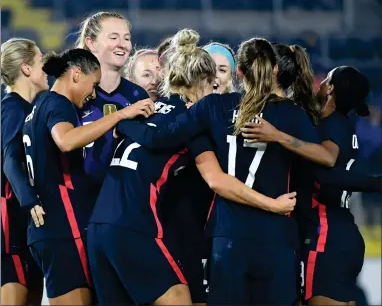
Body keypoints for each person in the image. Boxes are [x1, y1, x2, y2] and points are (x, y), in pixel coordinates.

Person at [115, 36, 346, 304]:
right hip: (276, 236)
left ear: (238, 72)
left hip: (227, 237)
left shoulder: (214, 106)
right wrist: (279, 137)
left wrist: (123, 123)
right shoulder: (292, 114)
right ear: (273, 70)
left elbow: (162, 137)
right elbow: (325, 158)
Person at [87, 30, 296, 306]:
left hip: (98, 226)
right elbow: (216, 180)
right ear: (203, 82)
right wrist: (272, 204)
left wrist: (121, 124)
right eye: (211, 85)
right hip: (135, 226)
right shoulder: (191, 121)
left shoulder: (145, 108)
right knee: (179, 299)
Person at [22, 48, 154, 305]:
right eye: (92, 84)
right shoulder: (59, 104)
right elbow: (67, 141)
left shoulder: (38, 105)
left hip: (46, 230)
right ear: (76, 74)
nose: (93, 94)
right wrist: (120, 115)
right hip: (64, 224)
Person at [243, 65, 379, 305]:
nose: (321, 83)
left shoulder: (333, 124)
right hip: (342, 231)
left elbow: (328, 158)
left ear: (331, 90)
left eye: (326, 80)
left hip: (326, 235)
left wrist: (277, 136)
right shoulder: (344, 125)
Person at [75, 11, 151, 188]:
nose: (122, 45)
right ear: (91, 43)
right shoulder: (73, 93)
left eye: (126, 38)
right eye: (113, 37)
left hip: (122, 202)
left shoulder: (137, 95)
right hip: (78, 202)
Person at [1, 38, 46, 306]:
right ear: (27, 69)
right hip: (13, 218)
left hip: (26, 219)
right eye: (41, 62)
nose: (46, 71)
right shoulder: (12, 108)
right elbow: (9, 159)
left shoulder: (29, 109)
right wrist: (30, 201)